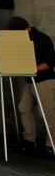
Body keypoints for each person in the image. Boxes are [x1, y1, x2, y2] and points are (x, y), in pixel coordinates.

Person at [8, 16, 55, 157]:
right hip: (31, 79)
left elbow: (50, 62)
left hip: (44, 80)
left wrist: (30, 68)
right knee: (24, 107)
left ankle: (51, 145)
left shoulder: (42, 39)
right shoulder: (24, 39)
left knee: (47, 113)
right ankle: (29, 141)